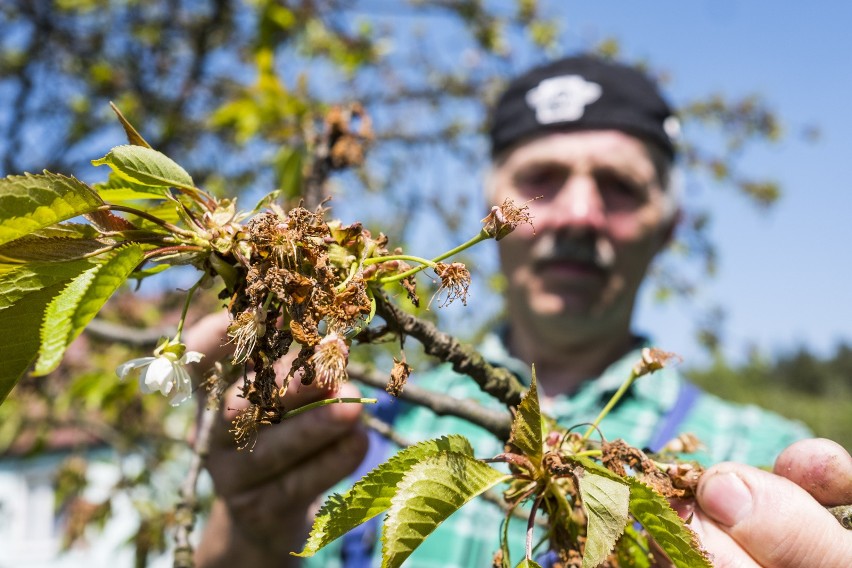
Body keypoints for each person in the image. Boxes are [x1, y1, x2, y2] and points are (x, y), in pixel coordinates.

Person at [189, 55, 852, 567]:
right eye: (543, 178)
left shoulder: (764, 463)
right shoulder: (355, 426)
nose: (578, 215)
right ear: (491, 207)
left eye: (619, 186)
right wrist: (247, 530)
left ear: (669, 227)